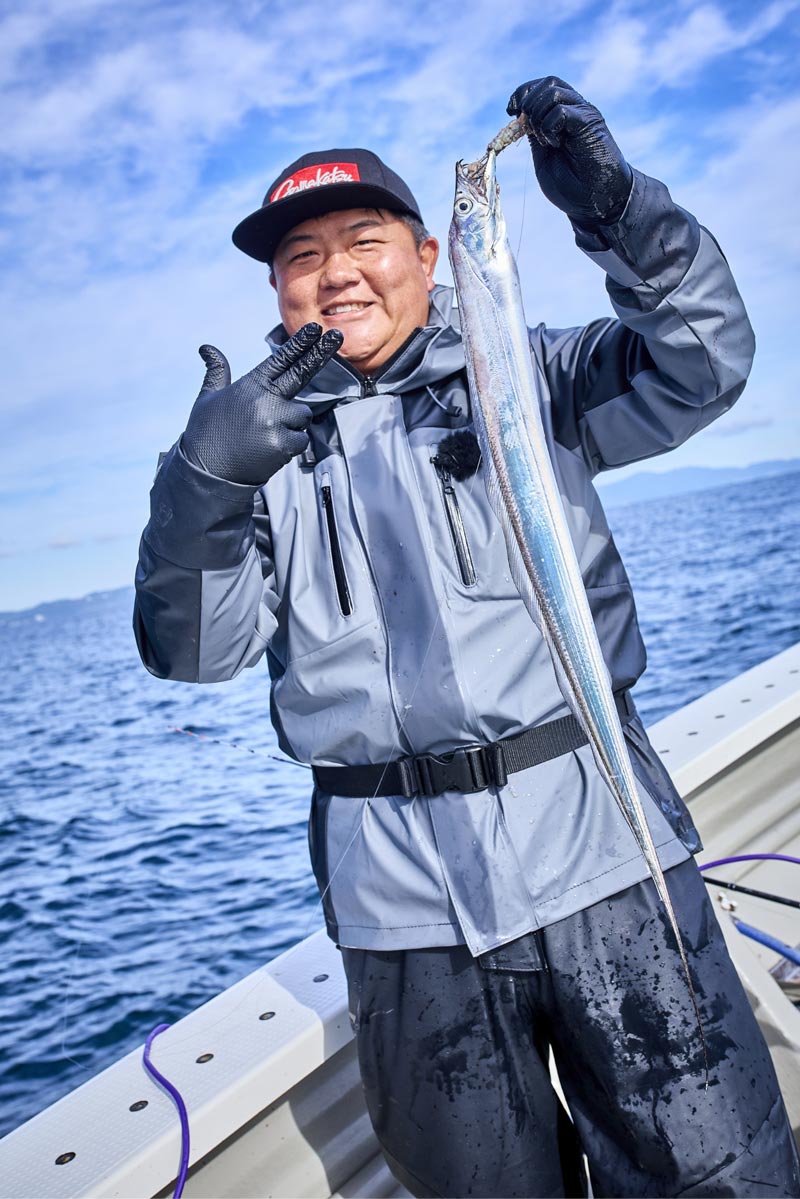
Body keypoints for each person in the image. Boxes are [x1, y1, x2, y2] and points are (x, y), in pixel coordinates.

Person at [134, 78, 800, 1197]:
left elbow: (701, 362)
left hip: (605, 855)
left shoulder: (528, 374)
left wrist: (621, 211)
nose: (335, 269)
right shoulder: (243, 459)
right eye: (302, 256)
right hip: (401, 924)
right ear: (275, 289)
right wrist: (198, 483)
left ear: (431, 254)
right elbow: (192, 650)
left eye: (363, 238)